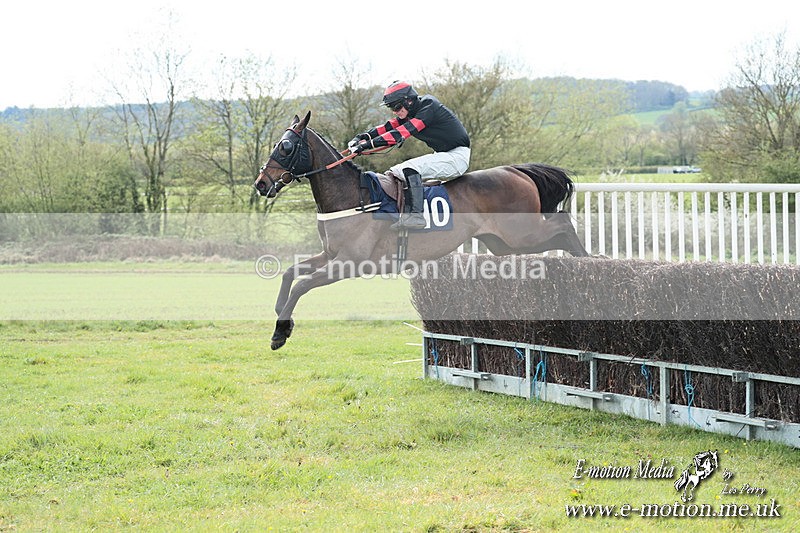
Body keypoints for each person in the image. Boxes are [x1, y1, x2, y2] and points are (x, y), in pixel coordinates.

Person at [349, 81, 471, 230]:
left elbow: (402, 132)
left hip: (457, 157)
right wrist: (361, 137)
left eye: (396, 107)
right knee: (397, 171)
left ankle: (416, 217)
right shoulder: (409, 112)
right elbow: (387, 127)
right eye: (391, 108)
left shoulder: (429, 106)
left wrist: (365, 146)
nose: (395, 111)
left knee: (409, 168)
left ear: (409, 101)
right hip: (444, 155)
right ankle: (404, 214)